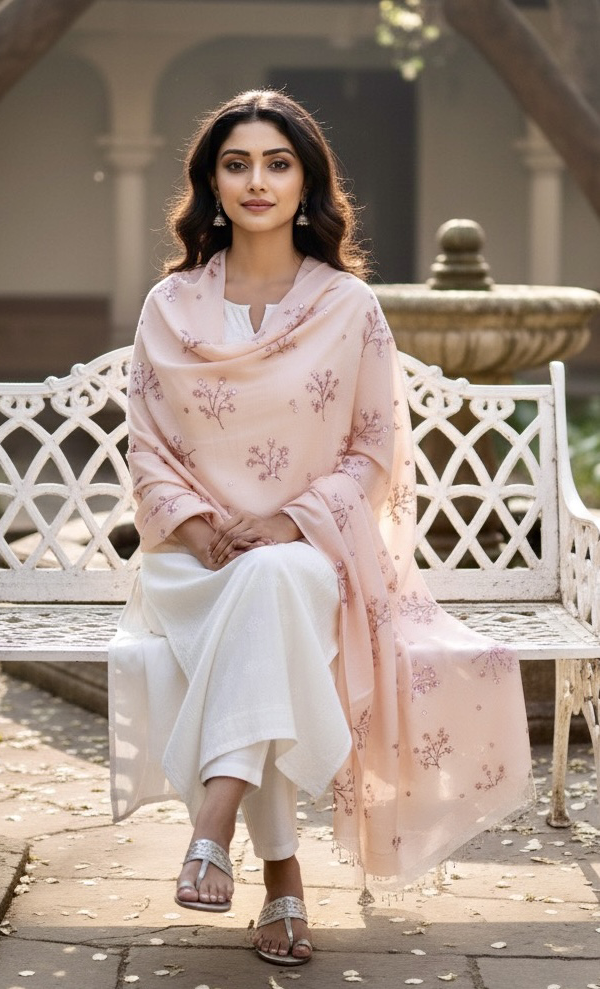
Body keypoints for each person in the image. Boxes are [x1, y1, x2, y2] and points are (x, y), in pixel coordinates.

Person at [109, 89, 533, 967]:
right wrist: (200, 531)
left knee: (276, 587)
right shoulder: (170, 307)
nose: (255, 180)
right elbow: (146, 447)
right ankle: (277, 881)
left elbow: (371, 452)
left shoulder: (347, 307)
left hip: (310, 552)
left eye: (276, 163)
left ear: (306, 183)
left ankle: (219, 829)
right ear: (211, 184)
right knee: (262, 605)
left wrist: (285, 520)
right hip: (192, 563)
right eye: (236, 164)